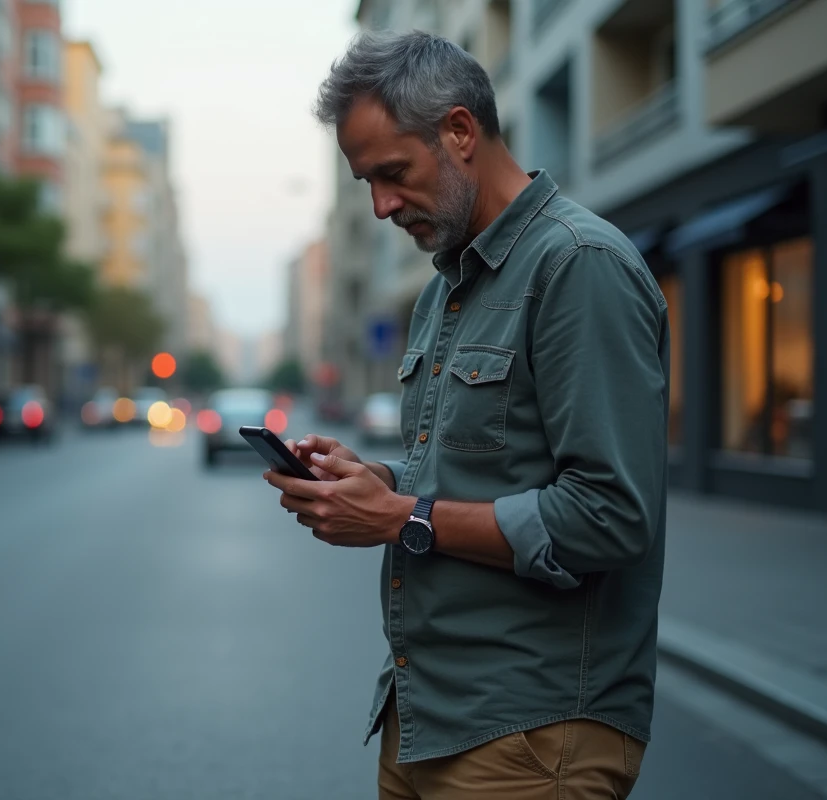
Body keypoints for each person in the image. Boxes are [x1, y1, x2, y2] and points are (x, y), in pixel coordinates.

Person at [263, 30, 669, 800]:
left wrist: (400, 516)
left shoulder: (578, 265)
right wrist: (375, 479)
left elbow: (613, 516)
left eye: (393, 174)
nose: (381, 206)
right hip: (424, 717)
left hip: (532, 737)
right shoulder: (444, 288)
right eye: (365, 183)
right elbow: (469, 472)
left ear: (459, 132)